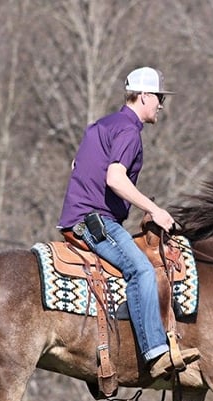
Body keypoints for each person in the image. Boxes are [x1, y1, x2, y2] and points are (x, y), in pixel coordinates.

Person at [57, 66, 200, 380]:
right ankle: (154, 352)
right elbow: (115, 178)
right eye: (159, 97)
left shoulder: (102, 125)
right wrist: (156, 210)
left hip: (78, 217)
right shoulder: (129, 131)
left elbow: (77, 164)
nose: (161, 104)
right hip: (95, 222)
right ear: (145, 96)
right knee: (141, 270)